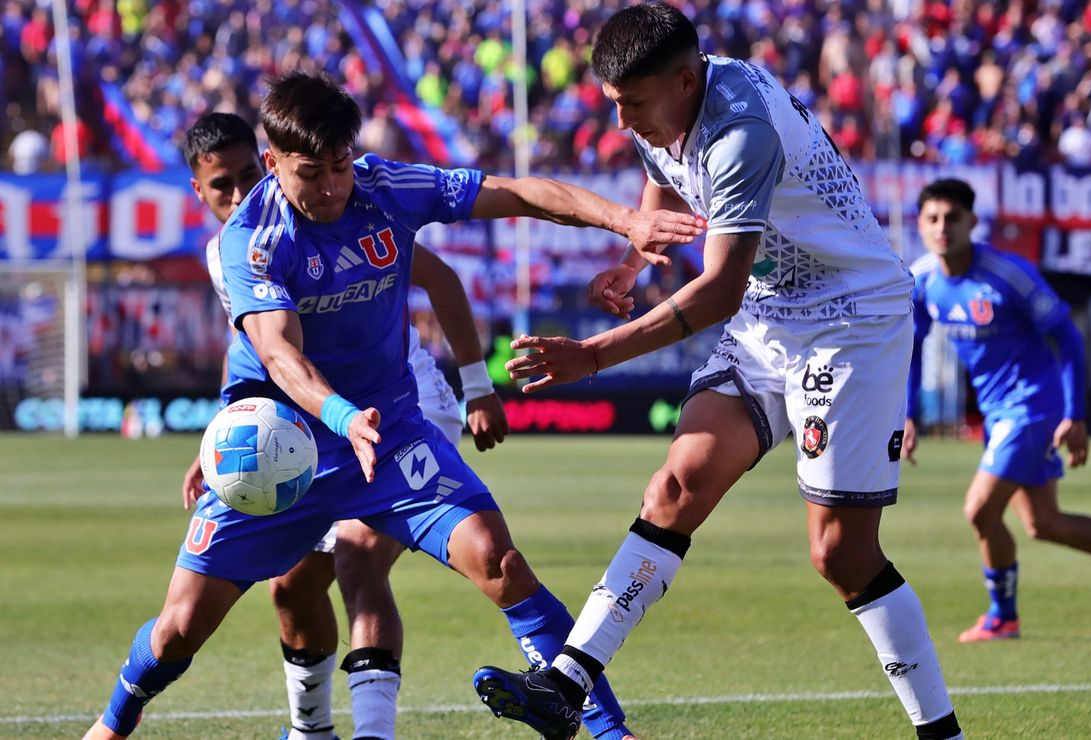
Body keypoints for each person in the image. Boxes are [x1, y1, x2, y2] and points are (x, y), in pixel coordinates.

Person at [84, 69, 703, 740]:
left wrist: (626, 219)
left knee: (500, 562)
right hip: (283, 448)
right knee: (181, 627)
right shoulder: (250, 240)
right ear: (273, 164)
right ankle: (115, 723)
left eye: (340, 166)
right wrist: (344, 418)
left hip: (393, 435)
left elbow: (517, 192)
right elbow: (281, 357)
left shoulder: (385, 189)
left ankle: (613, 733)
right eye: (310, 172)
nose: (330, 187)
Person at [472, 5, 962, 739]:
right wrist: (636, 257)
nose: (624, 122)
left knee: (841, 555)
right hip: (772, 316)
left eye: (633, 104)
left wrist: (595, 354)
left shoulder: (740, 133)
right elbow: (667, 178)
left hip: (850, 322)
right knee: (675, 485)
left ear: (684, 79)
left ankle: (942, 733)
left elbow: (720, 289)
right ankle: (567, 685)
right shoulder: (660, 109)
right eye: (615, 104)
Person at [179, 111, 508, 739]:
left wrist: (478, 386)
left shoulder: (339, 213)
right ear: (199, 191)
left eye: (249, 174)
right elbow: (258, 349)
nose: (239, 192)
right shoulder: (233, 253)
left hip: (405, 408)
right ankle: (311, 732)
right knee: (290, 591)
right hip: (328, 425)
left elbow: (442, 280)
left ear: (268, 162)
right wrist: (225, 432)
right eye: (222, 184)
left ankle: (373, 733)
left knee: (359, 562)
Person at [902, 177, 1091, 642]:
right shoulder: (925, 282)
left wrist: (1075, 414)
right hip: (1000, 414)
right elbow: (913, 345)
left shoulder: (1007, 275)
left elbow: (1068, 336)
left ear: (973, 221)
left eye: (952, 218)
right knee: (1044, 524)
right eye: (932, 219)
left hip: (1034, 407)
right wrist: (908, 414)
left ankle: (1002, 616)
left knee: (978, 510)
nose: (942, 228)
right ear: (920, 224)